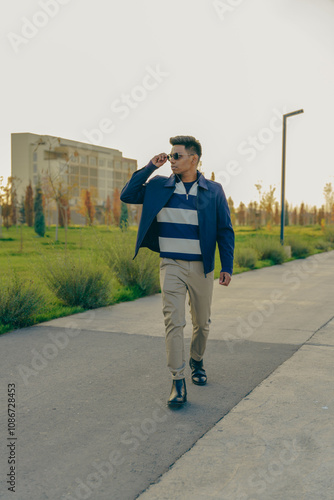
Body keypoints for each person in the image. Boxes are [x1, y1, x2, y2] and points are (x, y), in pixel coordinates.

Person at [120, 135, 234, 407]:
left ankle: (197, 360)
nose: (170, 159)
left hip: (202, 267)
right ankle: (177, 381)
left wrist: (227, 266)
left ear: (193, 159)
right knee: (174, 322)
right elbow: (127, 194)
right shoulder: (159, 185)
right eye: (170, 155)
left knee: (202, 323)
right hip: (171, 263)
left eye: (176, 156)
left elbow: (224, 230)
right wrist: (150, 166)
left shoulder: (213, 190)